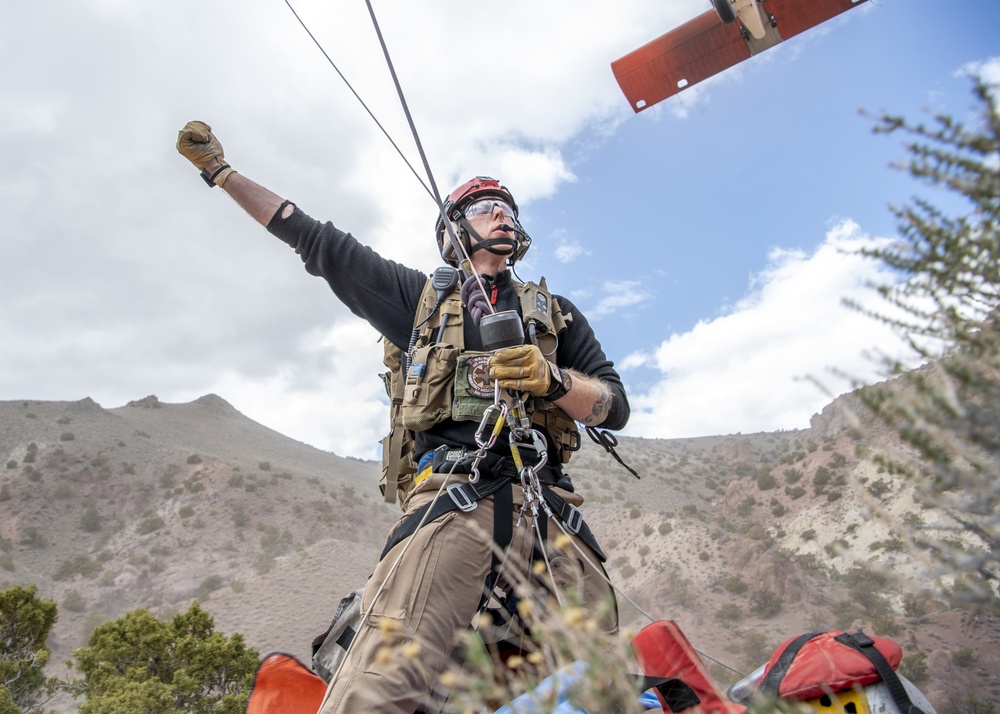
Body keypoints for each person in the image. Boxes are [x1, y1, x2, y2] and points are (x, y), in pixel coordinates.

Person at [176, 120, 630, 713]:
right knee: (383, 680)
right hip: (459, 497)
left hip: (551, 509)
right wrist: (221, 172)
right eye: (485, 207)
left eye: (506, 208)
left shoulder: (559, 317)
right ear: (454, 232)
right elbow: (315, 241)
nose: (502, 214)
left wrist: (554, 379)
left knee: (607, 688)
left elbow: (614, 407)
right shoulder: (415, 300)